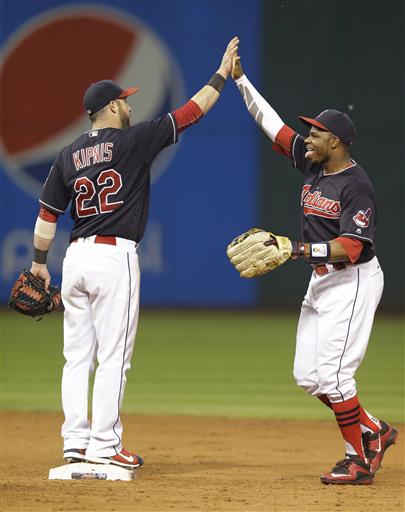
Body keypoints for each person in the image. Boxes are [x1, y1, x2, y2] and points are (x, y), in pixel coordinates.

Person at [29, 36, 239, 469]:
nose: (129, 106)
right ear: (108, 108)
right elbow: (192, 111)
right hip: (113, 259)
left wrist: (37, 265)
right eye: (123, 102)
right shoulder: (133, 142)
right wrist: (222, 75)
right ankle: (106, 446)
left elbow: (47, 215)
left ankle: (75, 442)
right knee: (113, 359)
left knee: (76, 358)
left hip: (75, 260)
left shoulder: (67, 156)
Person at [230, 53, 398, 485]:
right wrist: (241, 80)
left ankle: (357, 458)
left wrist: (296, 249)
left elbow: (351, 247)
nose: (307, 137)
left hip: (353, 280)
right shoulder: (313, 164)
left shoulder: (357, 186)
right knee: (308, 375)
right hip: (322, 281)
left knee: (337, 376)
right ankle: (373, 430)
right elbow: (272, 124)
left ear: (337, 142)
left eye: (316, 133)